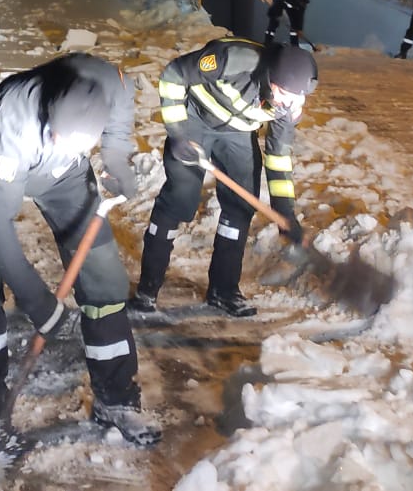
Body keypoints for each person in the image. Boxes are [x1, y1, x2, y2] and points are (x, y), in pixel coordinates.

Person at [0, 53, 161, 454]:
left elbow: (120, 117)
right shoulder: (16, 121)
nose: (68, 145)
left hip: (63, 178)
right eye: (62, 138)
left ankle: (116, 399)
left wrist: (115, 158)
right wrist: (36, 299)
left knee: (105, 280)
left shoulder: (109, 83)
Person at [132, 40, 316, 318]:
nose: (287, 104)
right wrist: (178, 133)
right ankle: (147, 288)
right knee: (180, 199)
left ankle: (224, 290)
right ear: (270, 79)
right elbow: (173, 75)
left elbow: (278, 156)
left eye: (296, 98)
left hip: (238, 133)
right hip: (194, 119)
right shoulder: (235, 60)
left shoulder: (288, 106)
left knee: (241, 206)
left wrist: (285, 211)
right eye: (283, 94)